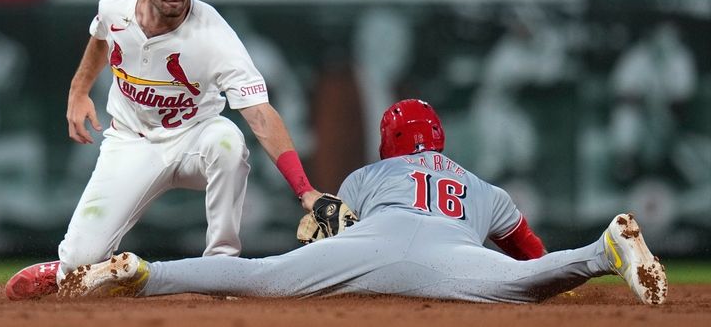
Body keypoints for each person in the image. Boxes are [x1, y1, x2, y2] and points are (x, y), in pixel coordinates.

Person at [57, 99, 668, 305]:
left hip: (372, 244)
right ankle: (602, 248)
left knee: (259, 276)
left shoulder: (368, 174)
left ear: (390, 142)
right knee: (526, 282)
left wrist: (327, 245)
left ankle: (142, 271)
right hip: (453, 253)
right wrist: (522, 267)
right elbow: (529, 252)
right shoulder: (487, 190)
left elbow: (333, 232)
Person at [4, 0, 326, 300]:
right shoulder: (116, 5)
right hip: (130, 142)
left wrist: (304, 190)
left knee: (227, 141)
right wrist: (78, 91)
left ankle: (222, 269)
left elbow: (260, 115)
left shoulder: (213, 36)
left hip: (194, 138)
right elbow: (99, 37)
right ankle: (63, 270)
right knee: (80, 264)